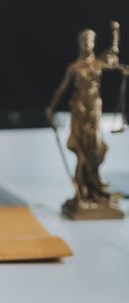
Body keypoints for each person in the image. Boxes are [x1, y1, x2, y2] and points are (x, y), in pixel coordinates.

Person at [47, 22, 129, 204]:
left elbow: (113, 55)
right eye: (84, 40)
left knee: (97, 151)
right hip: (80, 112)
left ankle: (95, 188)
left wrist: (116, 33)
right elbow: (62, 89)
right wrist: (51, 108)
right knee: (82, 153)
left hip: (94, 113)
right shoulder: (75, 67)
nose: (88, 43)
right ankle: (83, 190)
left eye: (91, 39)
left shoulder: (98, 64)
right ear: (80, 43)